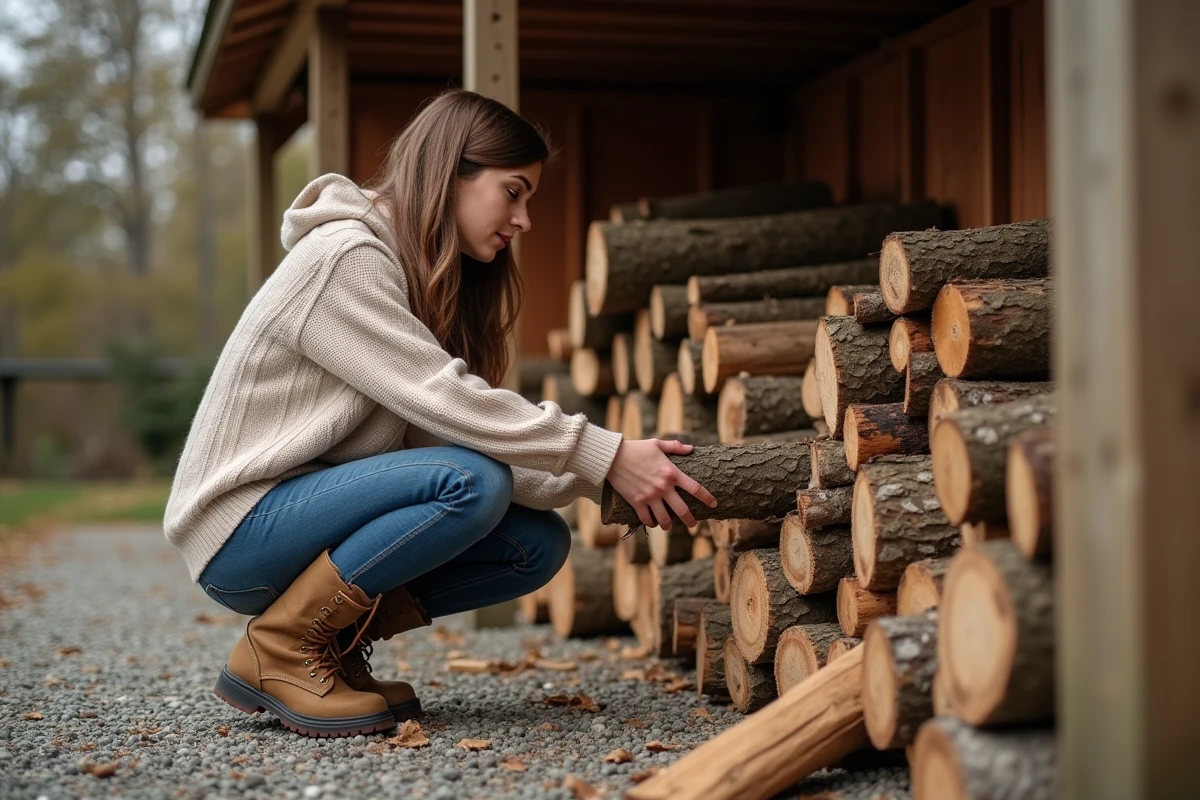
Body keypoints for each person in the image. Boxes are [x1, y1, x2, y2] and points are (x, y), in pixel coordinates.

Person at [163, 89, 716, 739]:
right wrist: (606, 453)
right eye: (514, 192)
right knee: (467, 483)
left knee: (532, 545)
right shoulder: (346, 258)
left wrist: (605, 481)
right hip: (243, 527)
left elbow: (439, 428)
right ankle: (281, 648)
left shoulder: (414, 275)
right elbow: (444, 400)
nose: (525, 219)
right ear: (451, 171)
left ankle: (331, 646)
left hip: (299, 515)